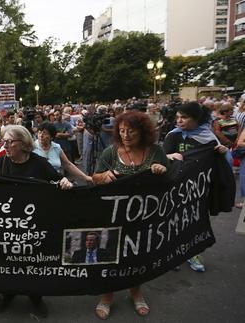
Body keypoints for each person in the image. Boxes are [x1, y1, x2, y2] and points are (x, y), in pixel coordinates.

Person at [0, 125, 73, 319]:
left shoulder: (39, 163)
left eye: (10, 142)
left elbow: (57, 180)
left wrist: (64, 183)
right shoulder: (2, 162)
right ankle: (8, 293)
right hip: (8, 225)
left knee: (32, 262)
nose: (5, 146)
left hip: (33, 225)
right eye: (4, 141)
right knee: (7, 260)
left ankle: (35, 297)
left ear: (24, 144)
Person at [92, 111, 168, 320]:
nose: (125, 135)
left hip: (143, 217)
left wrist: (162, 169)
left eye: (131, 131)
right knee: (109, 256)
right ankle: (107, 296)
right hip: (112, 216)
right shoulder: (110, 151)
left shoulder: (156, 151)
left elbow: (170, 181)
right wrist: (104, 176)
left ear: (143, 132)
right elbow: (94, 178)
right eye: (122, 130)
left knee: (136, 256)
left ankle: (136, 292)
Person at [163, 101, 228, 272]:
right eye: (177, 117)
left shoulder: (208, 137)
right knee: (175, 220)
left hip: (199, 190)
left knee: (196, 220)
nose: (179, 121)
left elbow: (218, 164)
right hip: (177, 189)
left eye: (184, 117)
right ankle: (174, 254)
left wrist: (222, 152)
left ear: (196, 118)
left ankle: (194, 253)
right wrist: (171, 156)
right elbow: (161, 158)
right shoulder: (173, 136)